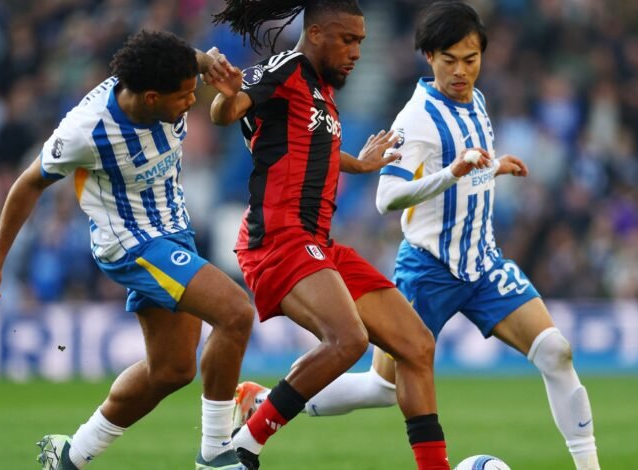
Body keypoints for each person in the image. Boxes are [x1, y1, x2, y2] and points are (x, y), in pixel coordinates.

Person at [231, 2, 602, 470]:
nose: (462, 71)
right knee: (382, 387)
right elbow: (387, 197)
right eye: (450, 60)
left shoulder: (478, 100)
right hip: (429, 266)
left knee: (556, 351)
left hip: (483, 262)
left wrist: (492, 169)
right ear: (430, 57)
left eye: (471, 59)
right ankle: (264, 404)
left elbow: (467, 166)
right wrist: (450, 173)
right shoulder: (416, 118)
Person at [0, 30, 256, 470]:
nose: (189, 104)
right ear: (152, 97)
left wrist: (208, 62)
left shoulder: (173, 71)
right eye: (182, 98)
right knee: (236, 312)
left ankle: (70, 455)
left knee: (172, 370)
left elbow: (188, 58)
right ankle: (216, 454)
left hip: (173, 230)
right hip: (133, 243)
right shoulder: (86, 130)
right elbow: (28, 183)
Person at [207, 1, 453, 469]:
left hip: (317, 241)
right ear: (316, 33)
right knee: (348, 340)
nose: (357, 51)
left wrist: (359, 162)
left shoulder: (320, 91)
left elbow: (305, 145)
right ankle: (240, 450)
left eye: (361, 41)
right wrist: (224, 95)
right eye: (348, 40)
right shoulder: (285, 69)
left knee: (417, 346)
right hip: (277, 238)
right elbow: (229, 109)